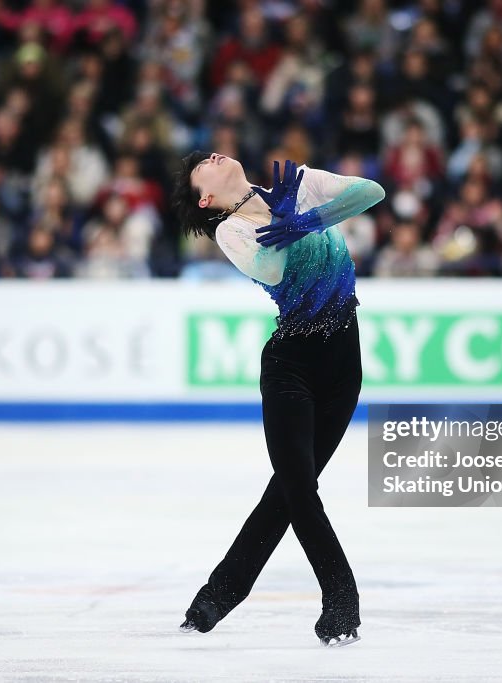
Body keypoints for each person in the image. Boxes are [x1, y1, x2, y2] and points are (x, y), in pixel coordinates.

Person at [170, 152, 384, 646]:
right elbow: (269, 271)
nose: (214, 155)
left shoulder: (302, 184)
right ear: (206, 197)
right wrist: (283, 226)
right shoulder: (230, 230)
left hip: (343, 368)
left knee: (286, 493)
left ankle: (216, 597)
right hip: (291, 367)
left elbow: (371, 192)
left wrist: (307, 216)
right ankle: (341, 597)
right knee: (300, 491)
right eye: (203, 165)